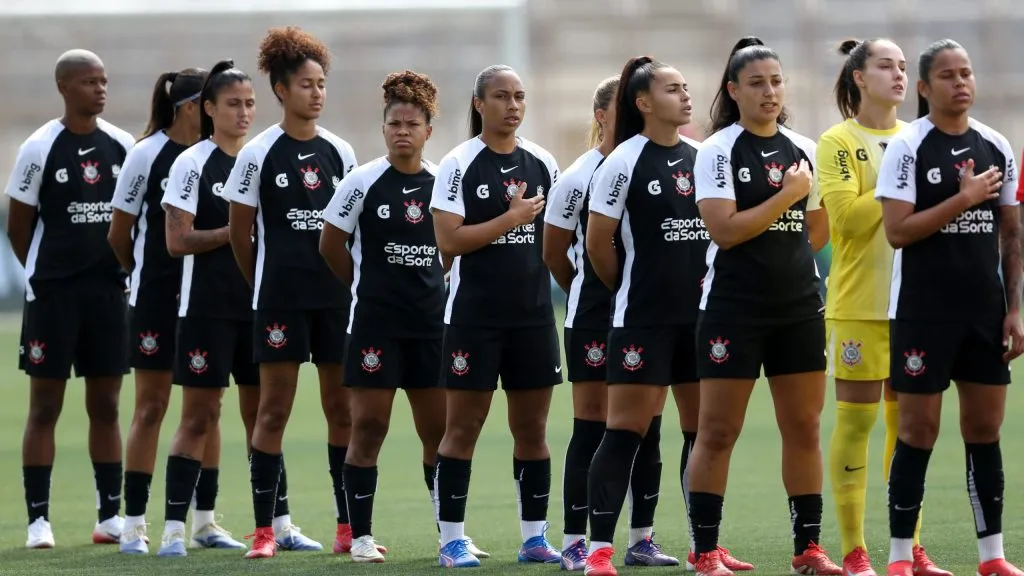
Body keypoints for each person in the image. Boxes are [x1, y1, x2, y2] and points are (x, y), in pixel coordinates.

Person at [686, 37, 839, 576]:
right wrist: (784, 199)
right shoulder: (717, 150)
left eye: (776, 81)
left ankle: (808, 549)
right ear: (733, 90)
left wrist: (786, 210)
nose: (769, 92)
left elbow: (816, 231)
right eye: (756, 83)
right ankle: (705, 551)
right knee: (718, 431)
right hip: (733, 309)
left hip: (799, 307)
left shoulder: (806, 149)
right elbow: (725, 231)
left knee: (803, 427)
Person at [875, 39, 1023, 576]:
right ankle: (897, 556)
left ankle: (992, 556)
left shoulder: (995, 144)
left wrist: (1014, 309)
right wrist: (961, 199)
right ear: (923, 87)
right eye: (948, 75)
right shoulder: (909, 146)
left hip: (984, 313)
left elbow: (1011, 234)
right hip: (921, 312)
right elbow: (897, 232)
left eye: (967, 73)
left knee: (984, 431)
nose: (961, 83)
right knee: (918, 432)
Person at [223, 26, 359, 560]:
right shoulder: (257, 154)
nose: (317, 93)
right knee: (272, 411)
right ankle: (264, 531)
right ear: (281, 90)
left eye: (322, 83)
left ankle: (349, 527)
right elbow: (240, 232)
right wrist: (262, 281)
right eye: (306, 84)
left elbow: (350, 228)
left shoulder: (340, 151)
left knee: (341, 411)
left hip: (333, 299)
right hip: (279, 300)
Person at [818, 38, 951, 576]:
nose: (898, 75)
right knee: (856, 425)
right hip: (860, 305)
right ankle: (854, 551)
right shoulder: (837, 141)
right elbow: (846, 221)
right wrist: (896, 184)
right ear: (858, 77)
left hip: (916, 307)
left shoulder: (922, 138)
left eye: (902, 66)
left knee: (910, 430)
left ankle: (907, 548)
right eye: (885, 66)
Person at [429, 64, 562, 568]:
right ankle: (452, 540)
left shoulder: (543, 162)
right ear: (479, 104)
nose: (513, 105)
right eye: (501, 96)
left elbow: (553, 237)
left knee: (533, 430)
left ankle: (534, 538)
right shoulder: (459, 164)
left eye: (519, 96)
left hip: (532, 317)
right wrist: (509, 218)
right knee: (462, 428)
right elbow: (448, 240)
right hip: (474, 319)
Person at [320, 69, 454, 564]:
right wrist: (362, 284)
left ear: (427, 132)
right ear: (383, 129)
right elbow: (330, 242)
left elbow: (452, 247)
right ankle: (359, 537)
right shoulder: (361, 181)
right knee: (369, 428)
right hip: (374, 327)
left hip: (428, 327)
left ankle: (449, 534)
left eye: (411, 123)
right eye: (394, 123)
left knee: (436, 434)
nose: (402, 130)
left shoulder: (443, 182)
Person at [5, 49, 135, 549]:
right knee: (45, 407)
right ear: (64, 87)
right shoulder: (40, 147)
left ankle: (110, 516)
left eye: (103, 81)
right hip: (55, 296)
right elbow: (19, 225)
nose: (100, 90)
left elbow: (131, 220)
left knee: (106, 405)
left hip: (107, 293)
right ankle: (39, 520)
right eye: (88, 82)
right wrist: (43, 274)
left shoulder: (123, 146)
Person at [149, 59, 259, 557]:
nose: (243, 113)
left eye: (250, 103)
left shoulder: (262, 159)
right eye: (233, 104)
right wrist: (234, 233)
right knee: (200, 415)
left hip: (260, 307)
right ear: (209, 109)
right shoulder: (191, 163)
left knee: (263, 418)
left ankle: (257, 525)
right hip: (206, 309)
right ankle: (173, 527)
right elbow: (177, 240)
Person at [107, 67, 209, 554]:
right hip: (155, 301)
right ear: (192, 106)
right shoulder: (145, 155)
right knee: (151, 408)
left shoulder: (217, 155)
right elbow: (118, 233)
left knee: (206, 409)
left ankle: (205, 522)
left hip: (206, 302)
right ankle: (133, 525)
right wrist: (143, 278)